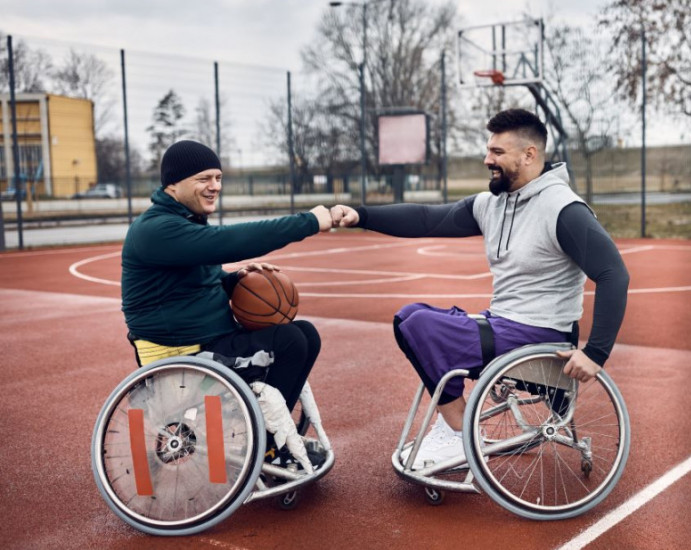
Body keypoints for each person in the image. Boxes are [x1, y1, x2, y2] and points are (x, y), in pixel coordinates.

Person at [330, 108, 630, 468]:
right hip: (504, 325)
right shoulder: (494, 203)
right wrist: (362, 216)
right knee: (410, 317)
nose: (487, 159)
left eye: (497, 153)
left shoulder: (562, 208)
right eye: (488, 150)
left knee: (420, 325)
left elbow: (614, 273)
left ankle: (458, 435)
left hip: (540, 335)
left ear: (529, 154)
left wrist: (595, 354)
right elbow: (428, 218)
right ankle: (456, 426)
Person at [121, 140, 334, 461]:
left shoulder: (184, 223)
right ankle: (266, 447)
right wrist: (308, 222)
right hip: (182, 355)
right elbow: (229, 241)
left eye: (218, 178)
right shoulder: (157, 229)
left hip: (210, 342)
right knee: (290, 340)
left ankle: (268, 436)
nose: (214, 186)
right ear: (173, 184)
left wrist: (235, 279)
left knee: (305, 334)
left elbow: (197, 282)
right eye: (204, 178)